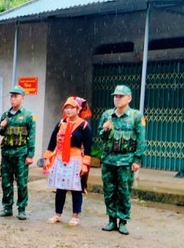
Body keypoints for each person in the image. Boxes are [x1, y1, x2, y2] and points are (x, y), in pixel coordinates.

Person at [98, 85, 146, 235]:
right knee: (109, 191)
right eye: (115, 96)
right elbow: (101, 137)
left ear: (129, 98)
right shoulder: (107, 115)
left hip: (126, 160)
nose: (117, 99)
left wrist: (137, 160)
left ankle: (123, 221)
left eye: (120, 96)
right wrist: (105, 129)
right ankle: (112, 220)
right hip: (109, 160)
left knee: (124, 192)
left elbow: (141, 139)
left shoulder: (136, 116)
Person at [43, 96, 93, 227]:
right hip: (60, 158)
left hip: (75, 159)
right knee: (60, 188)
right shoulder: (61, 123)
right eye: (66, 108)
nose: (69, 110)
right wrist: (47, 157)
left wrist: (85, 164)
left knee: (76, 188)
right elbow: (52, 141)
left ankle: (75, 216)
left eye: (71, 108)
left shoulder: (84, 125)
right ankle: (57, 214)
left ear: (78, 109)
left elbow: (88, 147)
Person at [0, 85, 36, 220]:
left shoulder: (28, 115)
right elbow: (0, 132)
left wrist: (30, 155)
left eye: (16, 96)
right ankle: (7, 207)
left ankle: (21, 209)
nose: (12, 99)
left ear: (22, 98)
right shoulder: (6, 114)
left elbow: (31, 136)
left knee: (21, 182)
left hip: (21, 153)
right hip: (7, 153)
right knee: (6, 181)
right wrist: (2, 126)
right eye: (11, 96)